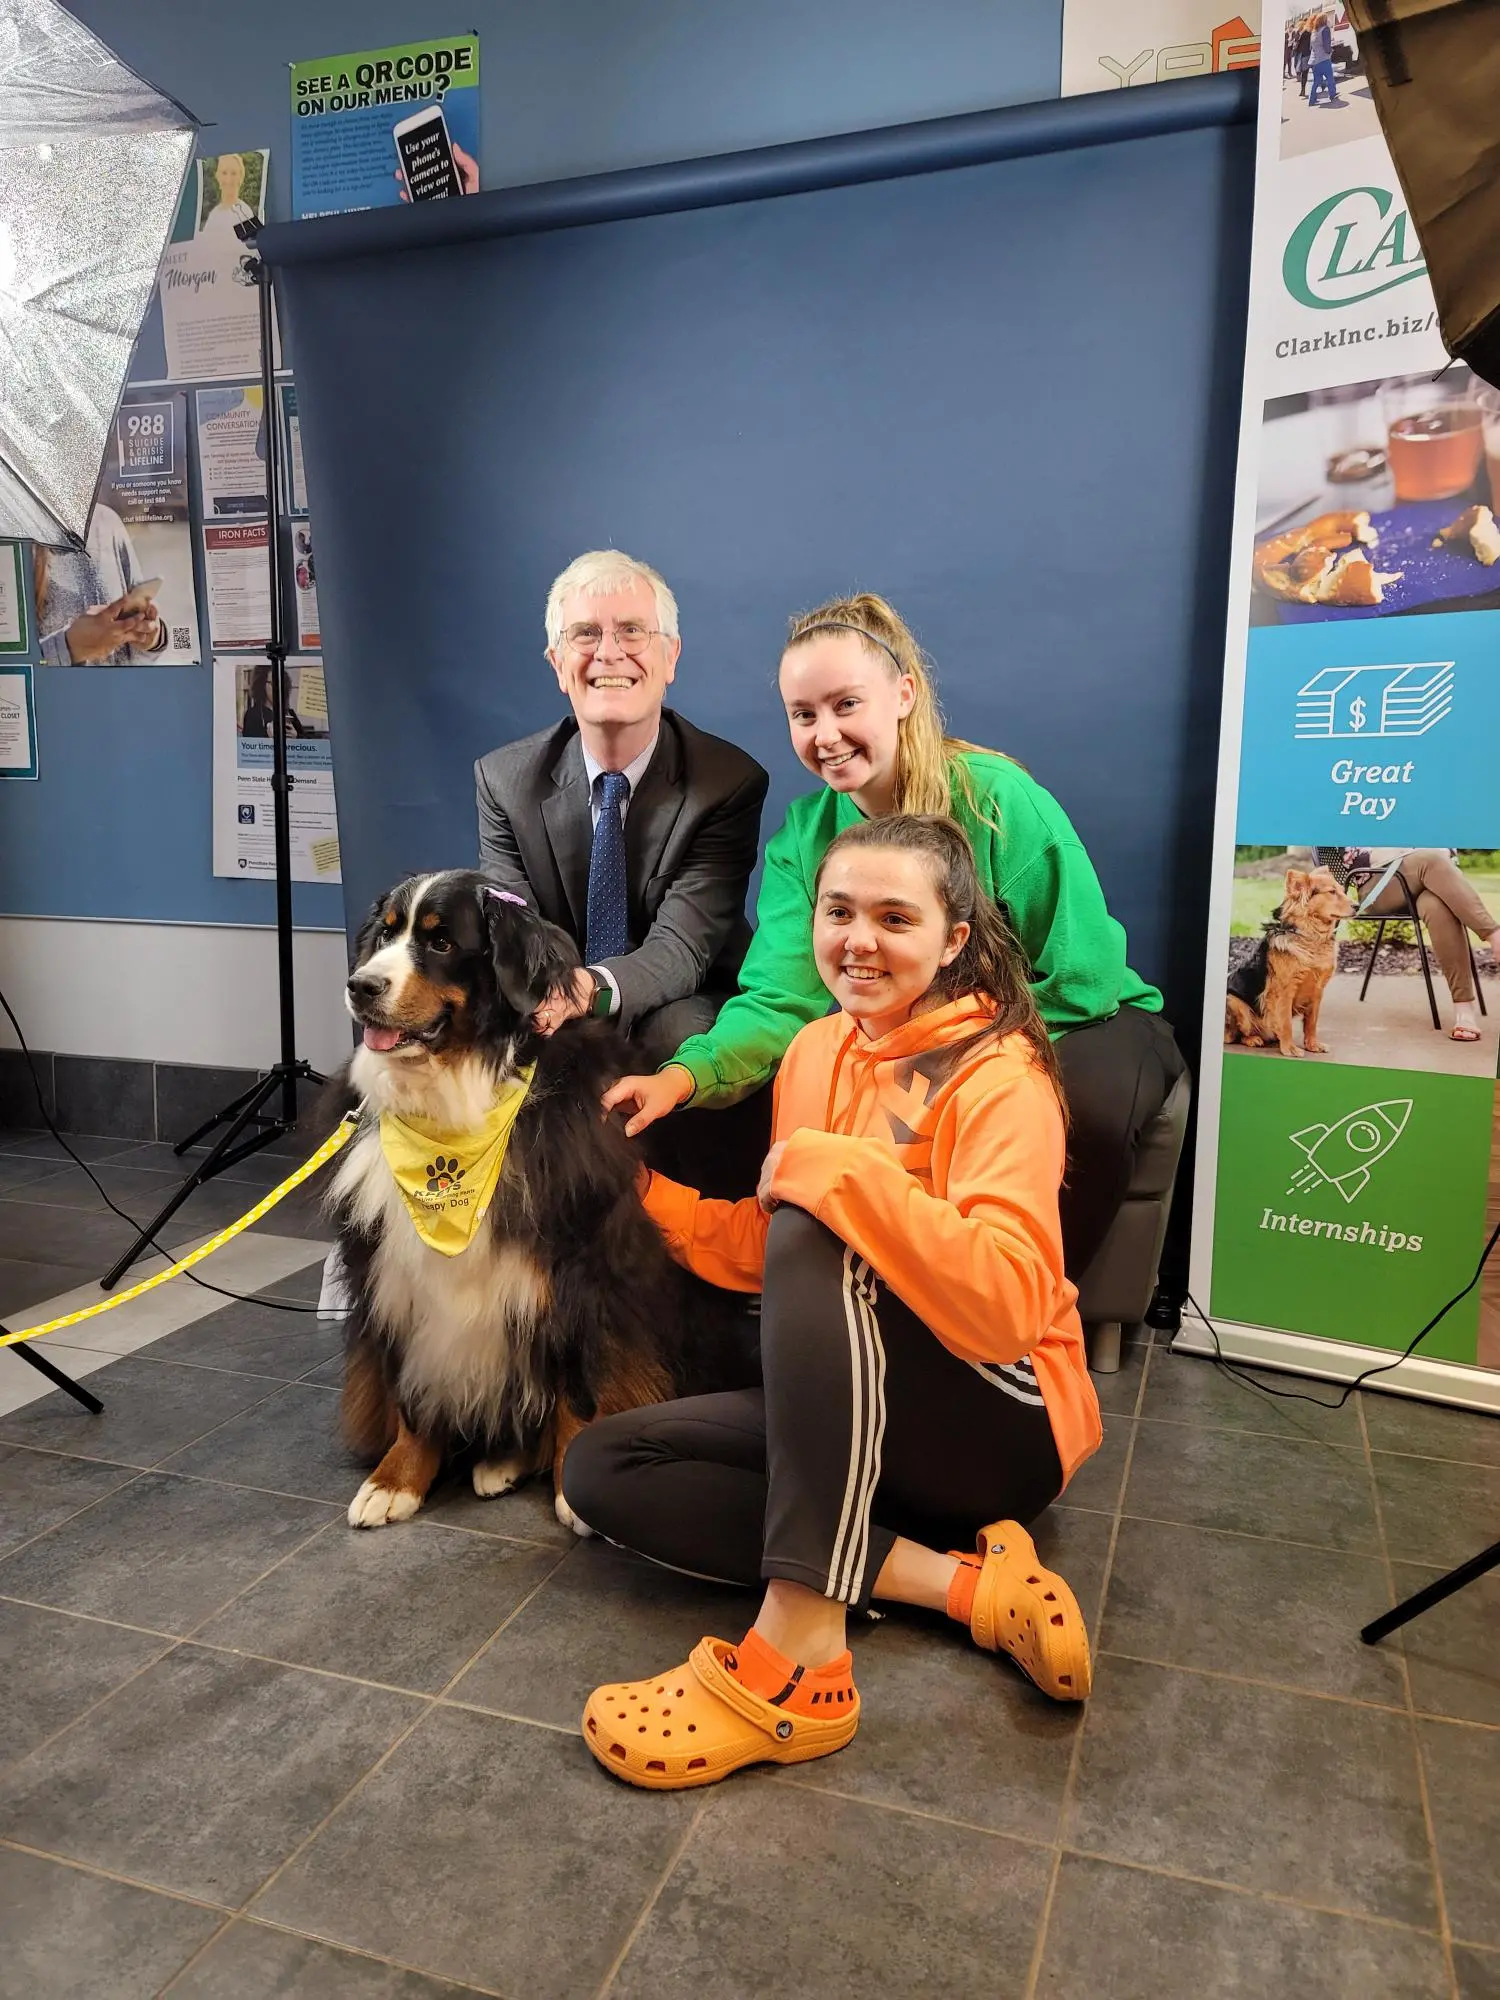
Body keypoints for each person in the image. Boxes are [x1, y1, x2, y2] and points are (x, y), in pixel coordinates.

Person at [566, 814, 1102, 1791]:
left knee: (822, 1205)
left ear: (953, 938)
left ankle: (803, 1656)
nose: (859, 938)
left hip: (1000, 1418)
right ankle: (969, 1590)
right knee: (603, 1465)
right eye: (839, 910)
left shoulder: (1000, 1070)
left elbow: (1010, 1306)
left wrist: (837, 1174)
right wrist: (641, 1199)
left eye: (896, 916)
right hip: (862, 1410)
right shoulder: (815, 1050)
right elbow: (775, 1250)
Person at [605, 591, 1183, 1279]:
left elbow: (1080, 973)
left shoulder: (996, 798)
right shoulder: (802, 838)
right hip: (909, 1033)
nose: (825, 734)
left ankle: (1037, 1328)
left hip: (1074, 1019)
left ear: (903, 694)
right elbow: (780, 1000)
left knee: (1083, 1108)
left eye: (846, 704)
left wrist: (949, 1066)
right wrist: (683, 1075)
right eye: (803, 714)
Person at [475, 549, 769, 1071]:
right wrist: (548, 995)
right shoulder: (503, 781)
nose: (609, 653)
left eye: (633, 631)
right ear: (558, 663)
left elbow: (682, 946)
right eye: (585, 634)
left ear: (671, 657)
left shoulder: (728, 783)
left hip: (680, 992)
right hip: (553, 987)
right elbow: (512, 926)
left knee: (674, 1035)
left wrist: (589, 990)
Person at [1326, 848, 1500, 1043]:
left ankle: (1464, 1010)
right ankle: (1495, 935)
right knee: (1431, 860)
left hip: (1430, 878)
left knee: (1436, 905)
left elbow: (1448, 849)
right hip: (1379, 883)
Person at [35, 508, 166, 665]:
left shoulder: (106, 521)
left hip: (118, 688)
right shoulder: (11, 530)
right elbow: (11, 672)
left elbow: (129, 659)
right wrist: (68, 649)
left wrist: (149, 640)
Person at [198, 152, 256, 239]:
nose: (228, 180)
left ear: (240, 178)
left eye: (233, 173)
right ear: (218, 176)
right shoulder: (214, 215)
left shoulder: (245, 213)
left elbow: (248, 247)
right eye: (224, 173)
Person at [1307, 15, 1342, 106]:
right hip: (1324, 59)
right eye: (1327, 19)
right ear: (1324, 20)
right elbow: (1327, 47)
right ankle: (1332, 94)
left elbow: (1311, 47)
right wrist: (1331, 50)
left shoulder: (1314, 32)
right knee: (1330, 78)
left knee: (1316, 81)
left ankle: (1311, 100)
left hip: (1314, 61)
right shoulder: (1325, 29)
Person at [1294, 22, 1313, 95]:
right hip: (1305, 55)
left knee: (1304, 73)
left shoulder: (1304, 33)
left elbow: (1298, 45)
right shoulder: (1306, 33)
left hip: (1304, 55)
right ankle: (1303, 90)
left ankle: (1303, 90)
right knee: (1305, 73)